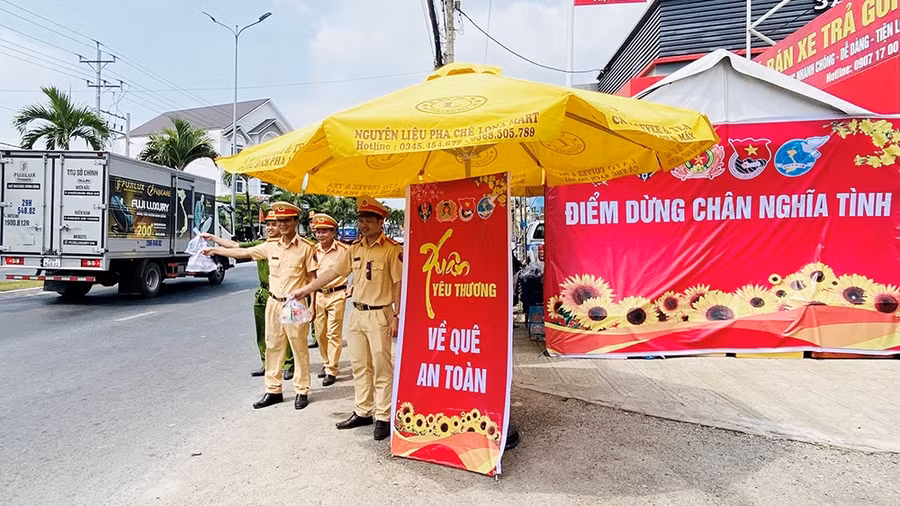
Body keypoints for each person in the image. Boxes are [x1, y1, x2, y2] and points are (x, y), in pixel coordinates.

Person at [291, 196, 402, 441]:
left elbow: (398, 284)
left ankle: (383, 415)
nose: (363, 225)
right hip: (357, 314)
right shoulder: (354, 249)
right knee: (360, 365)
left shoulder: (392, 249)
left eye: (368, 220)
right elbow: (333, 272)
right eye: (361, 220)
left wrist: (397, 315)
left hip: (380, 314)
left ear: (380, 221)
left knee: (382, 367)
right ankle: (363, 411)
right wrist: (307, 289)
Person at [202, 201, 317, 410]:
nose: (281, 225)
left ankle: (301, 389)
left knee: (299, 348)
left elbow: (312, 279)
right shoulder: (270, 245)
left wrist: (313, 307)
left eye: (285, 221)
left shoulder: (306, 248)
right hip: (273, 302)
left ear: (295, 222)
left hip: (294, 305)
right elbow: (244, 253)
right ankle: (273, 390)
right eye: (278, 221)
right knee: (273, 346)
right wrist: (215, 250)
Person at [201, 210, 294, 380]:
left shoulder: (290, 247)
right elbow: (237, 248)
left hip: (284, 294)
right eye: (269, 224)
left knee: (286, 330)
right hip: (265, 292)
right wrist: (214, 241)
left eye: (275, 224)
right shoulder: (262, 244)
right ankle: (266, 363)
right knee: (263, 332)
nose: (271, 228)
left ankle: (289, 364)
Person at [309, 212, 349, 387]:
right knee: (320, 333)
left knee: (333, 333)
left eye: (324, 231)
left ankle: (332, 369)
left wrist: (353, 285)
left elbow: (358, 267)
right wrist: (311, 303)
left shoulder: (344, 250)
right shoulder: (312, 251)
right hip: (318, 295)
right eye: (318, 231)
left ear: (333, 232)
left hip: (337, 295)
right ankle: (327, 363)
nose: (320, 235)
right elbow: (311, 278)